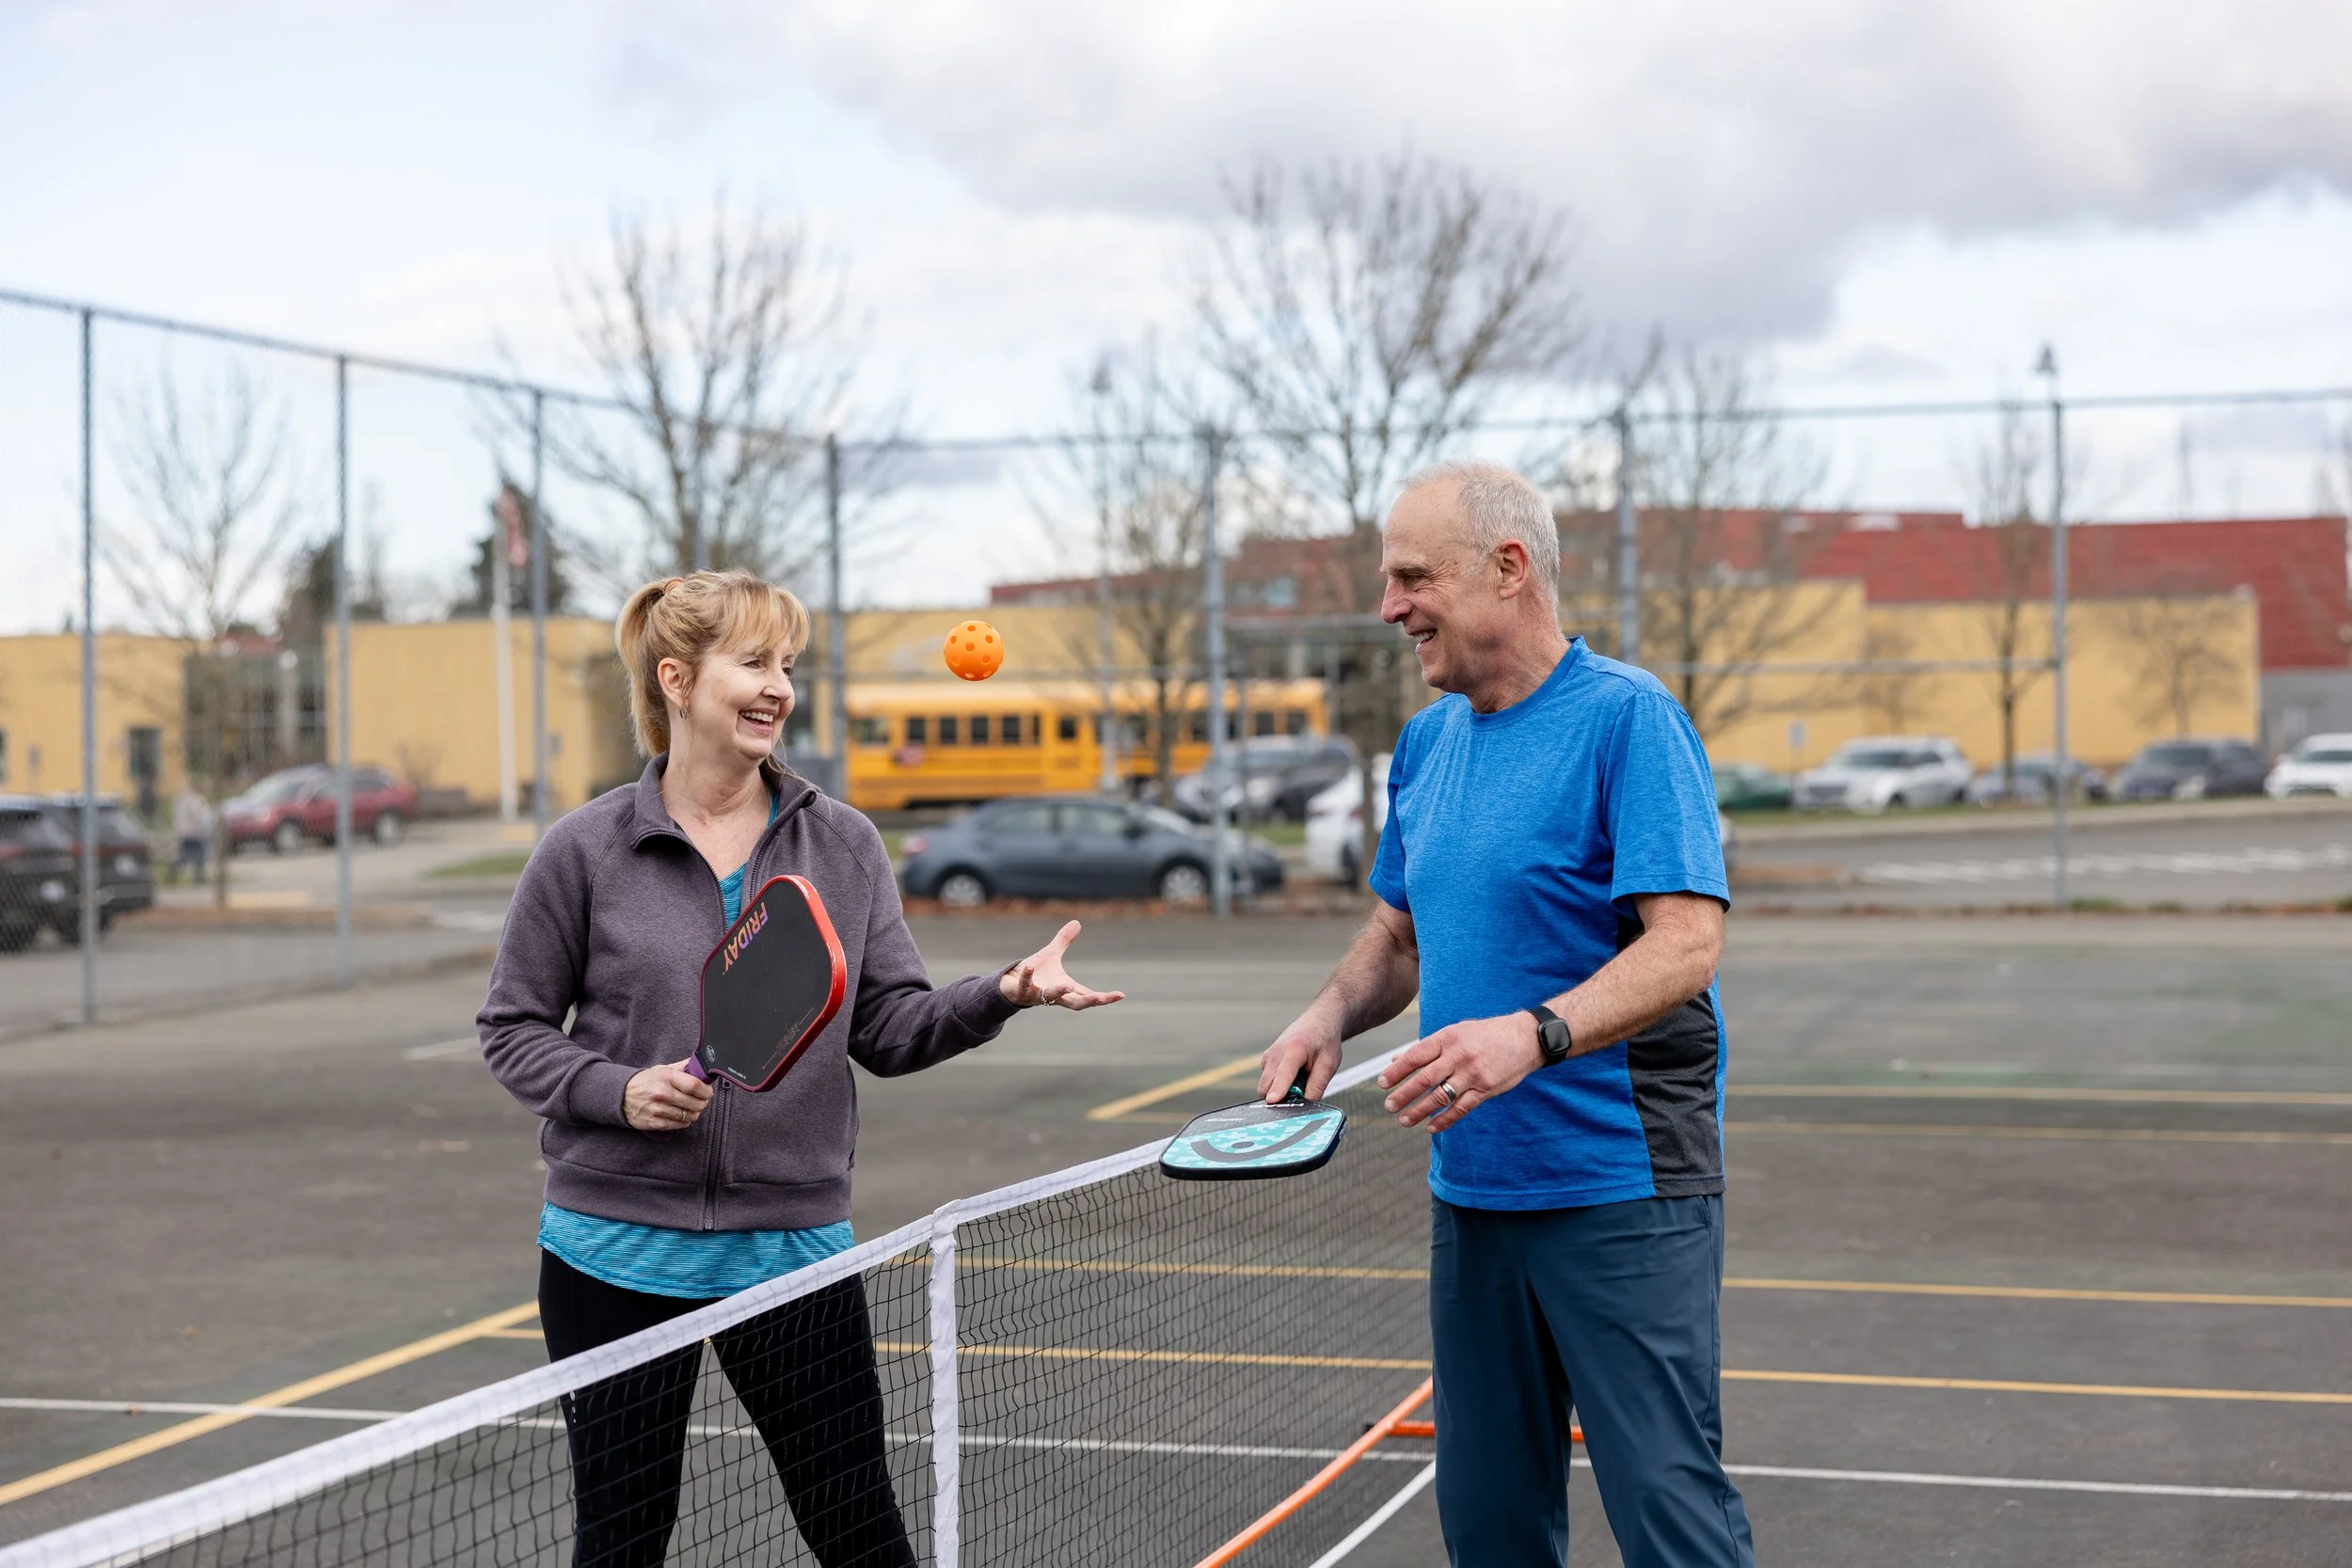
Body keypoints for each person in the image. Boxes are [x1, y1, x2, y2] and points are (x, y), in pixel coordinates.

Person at [478, 570, 1123, 1568]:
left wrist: (1002, 991)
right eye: (754, 662)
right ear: (678, 679)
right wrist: (619, 1088)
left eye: (789, 665)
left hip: (790, 1247)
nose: (779, 686)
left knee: (861, 1534)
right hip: (612, 1252)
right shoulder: (585, 849)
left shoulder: (844, 842)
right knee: (619, 1542)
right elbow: (514, 1026)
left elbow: (892, 1026)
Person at [1261, 463, 1754, 1568]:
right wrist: (1328, 1013)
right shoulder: (1430, 744)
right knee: (1487, 1522)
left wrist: (1532, 1033)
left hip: (1621, 1186)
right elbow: (1396, 935)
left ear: (1508, 567)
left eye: (1409, 576)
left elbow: (1686, 942)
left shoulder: (1629, 719)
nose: (1388, 606)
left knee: (1670, 1514)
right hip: (1471, 1189)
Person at [170, 785, 215, 883]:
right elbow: (197, 816)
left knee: (184, 855)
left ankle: (173, 872)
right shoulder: (195, 800)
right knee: (200, 855)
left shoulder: (181, 800)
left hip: (183, 832)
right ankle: (199, 876)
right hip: (194, 833)